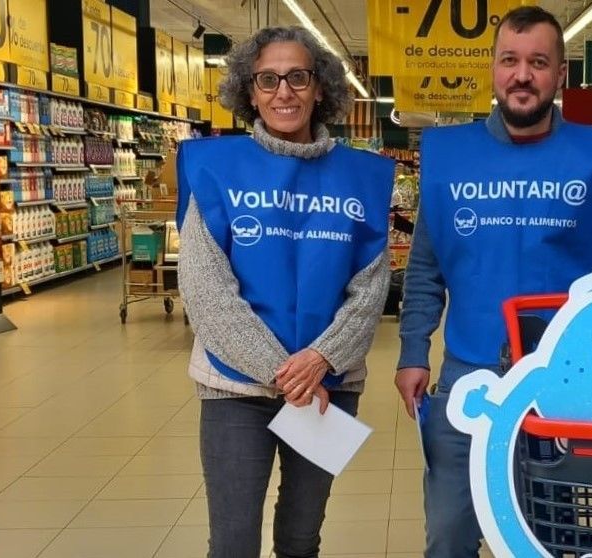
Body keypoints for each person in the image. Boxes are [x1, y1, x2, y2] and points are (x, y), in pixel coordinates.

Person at [394, 6, 592, 557]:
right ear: (492, 69)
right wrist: (413, 350)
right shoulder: (449, 157)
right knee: (449, 535)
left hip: (563, 381)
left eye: (538, 62)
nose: (523, 75)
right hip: (467, 377)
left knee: (559, 537)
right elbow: (425, 265)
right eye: (510, 61)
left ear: (560, 74)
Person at [176, 26, 394, 558]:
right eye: (268, 79)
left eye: (298, 77)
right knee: (232, 542)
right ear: (249, 92)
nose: (284, 92)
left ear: (320, 88)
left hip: (331, 383)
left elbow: (371, 287)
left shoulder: (360, 177)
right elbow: (206, 292)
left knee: (301, 537)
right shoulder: (216, 170)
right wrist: (289, 375)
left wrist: (321, 359)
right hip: (235, 390)